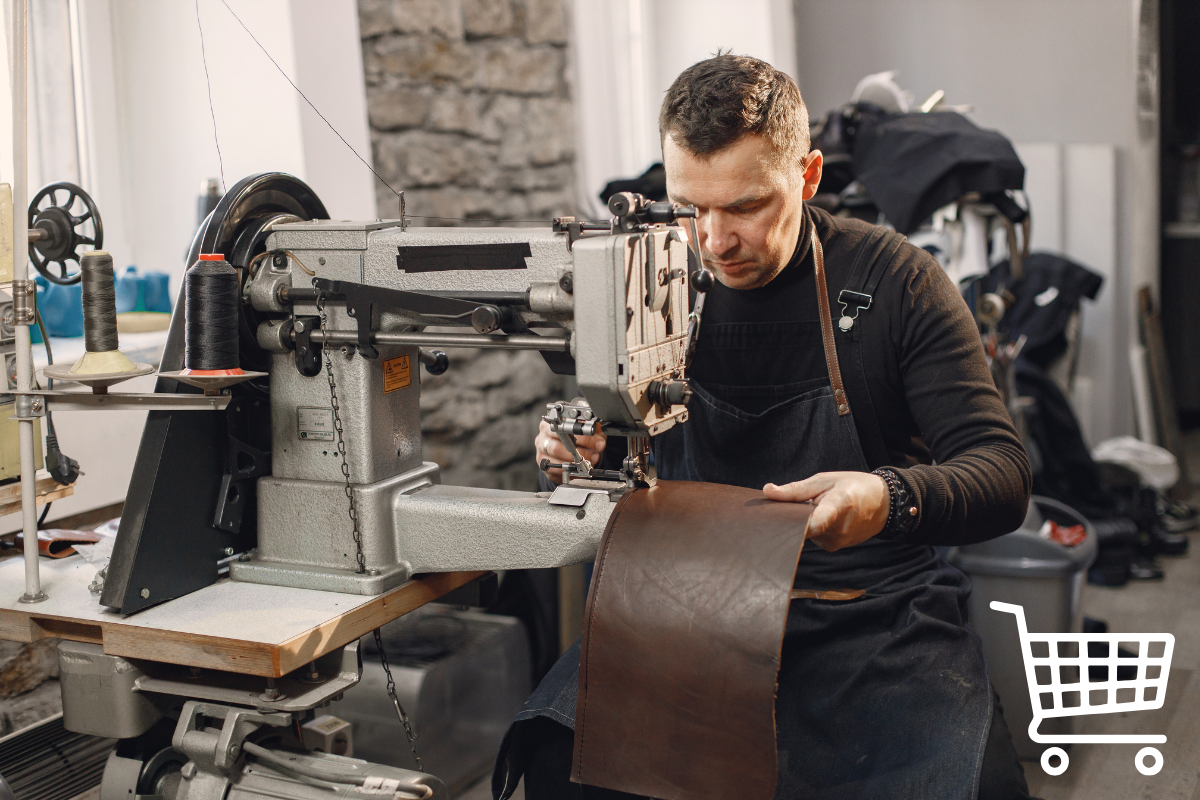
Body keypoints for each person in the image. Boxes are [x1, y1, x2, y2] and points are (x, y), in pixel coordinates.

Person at [494, 54, 1034, 800]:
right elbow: (621, 442)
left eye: (746, 206)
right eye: (689, 207)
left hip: (870, 610)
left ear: (807, 177)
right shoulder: (649, 283)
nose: (713, 241)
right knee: (563, 757)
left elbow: (1003, 473)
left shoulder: (895, 283)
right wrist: (587, 454)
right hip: (684, 602)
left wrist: (888, 496)